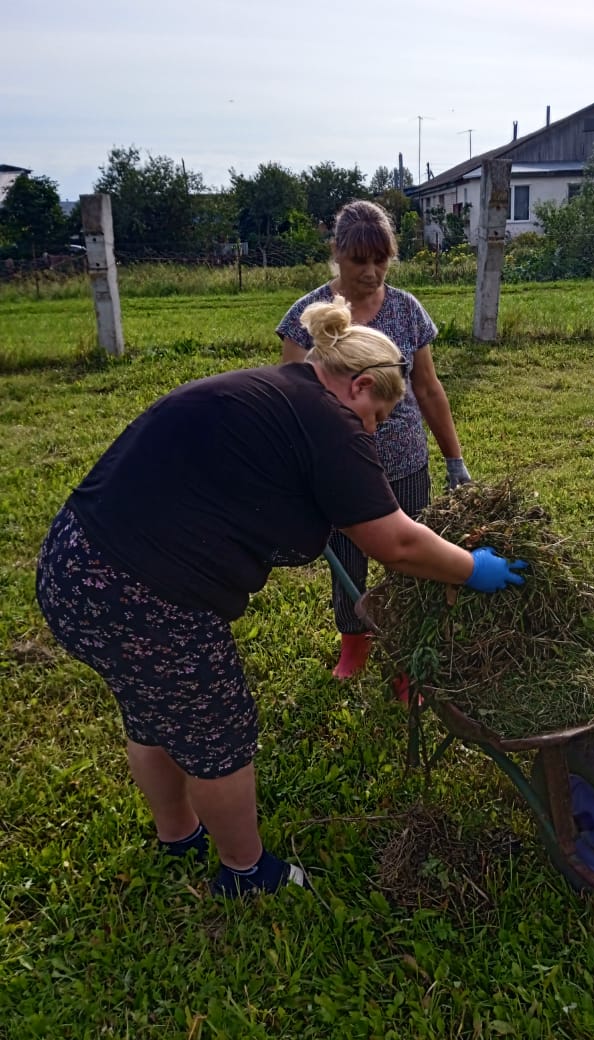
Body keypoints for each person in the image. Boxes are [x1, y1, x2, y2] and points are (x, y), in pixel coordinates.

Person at [36, 296, 528, 900]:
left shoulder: (273, 391)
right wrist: (473, 568)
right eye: (377, 417)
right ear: (361, 385)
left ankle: (178, 834)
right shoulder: (331, 419)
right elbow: (396, 544)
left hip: (74, 565)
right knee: (218, 727)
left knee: (152, 710)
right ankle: (247, 874)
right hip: (142, 593)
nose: (371, 432)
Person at [277, 199, 472, 680]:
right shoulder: (307, 315)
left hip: (403, 459)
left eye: (380, 259)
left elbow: (427, 387)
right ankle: (355, 641)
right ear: (337, 254)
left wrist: (453, 459)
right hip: (336, 468)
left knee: (410, 557)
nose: (371, 271)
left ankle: (408, 651)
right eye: (359, 260)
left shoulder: (406, 310)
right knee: (346, 556)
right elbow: (292, 399)